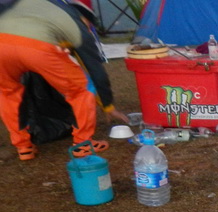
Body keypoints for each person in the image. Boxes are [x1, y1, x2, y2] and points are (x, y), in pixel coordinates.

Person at [0, 0, 126, 160]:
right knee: (81, 90)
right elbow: (94, 69)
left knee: (8, 93)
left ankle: (23, 147)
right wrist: (108, 106)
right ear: (85, 19)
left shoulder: (41, 7)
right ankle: (83, 143)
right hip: (36, 46)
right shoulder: (78, 25)